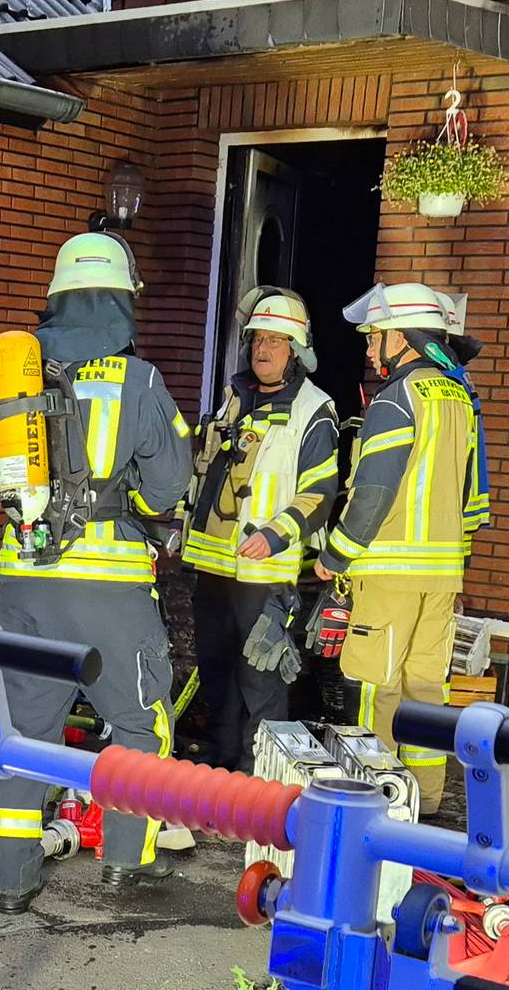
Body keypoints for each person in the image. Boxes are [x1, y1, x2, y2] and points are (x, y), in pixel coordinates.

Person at [0, 231, 193, 913]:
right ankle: (126, 862)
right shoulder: (140, 381)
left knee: (27, 728)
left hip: (23, 572)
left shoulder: (23, 368)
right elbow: (167, 489)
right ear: (122, 301)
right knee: (138, 723)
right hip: (107, 585)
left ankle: (12, 880)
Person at [321, 281, 491, 805]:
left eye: (376, 337)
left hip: (390, 575)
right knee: (425, 692)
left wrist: (335, 555)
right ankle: (427, 798)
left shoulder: (396, 400)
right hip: (441, 575)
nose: (370, 349)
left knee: (377, 687)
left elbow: (373, 492)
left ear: (406, 339)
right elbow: (471, 492)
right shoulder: (458, 395)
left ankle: (377, 799)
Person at [182, 287, 340, 771]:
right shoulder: (234, 398)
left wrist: (273, 535)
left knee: (262, 678)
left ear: (297, 351)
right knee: (217, 675)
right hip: (212, 568)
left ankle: (259, 785)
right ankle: (220, 772)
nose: (262, 350)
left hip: (265, 574)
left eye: (275, 341)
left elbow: (319, 492)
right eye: (257, 341)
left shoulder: (313, 410)